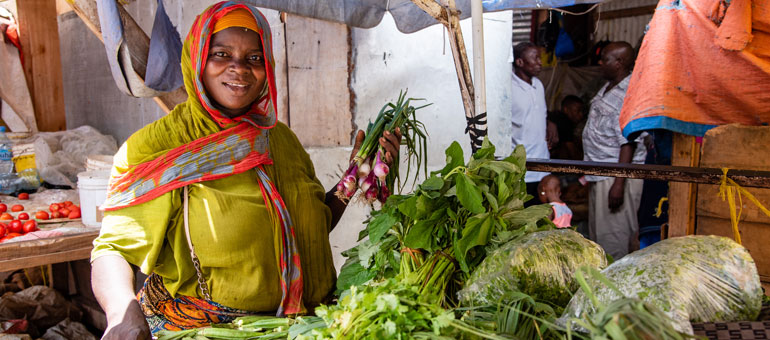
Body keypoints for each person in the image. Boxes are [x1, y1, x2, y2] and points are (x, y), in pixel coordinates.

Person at [89, 3, 402, 339]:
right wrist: (121, 312)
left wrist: (355, 176)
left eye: (254, 58)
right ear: (197, 60)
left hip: (305, 326)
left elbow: (303, 231)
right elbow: (113, 250)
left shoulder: (280, 140)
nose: (239, 69)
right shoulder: (159, 147)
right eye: (221, 54)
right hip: (208, 330)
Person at [582, 41, 646, 259]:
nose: (600, 63)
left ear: (619, 63)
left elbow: (628, 142)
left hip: (615, 176)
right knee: (600, 236)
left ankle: (615, 288)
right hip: (602, 174)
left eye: (605, 59)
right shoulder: (609, 87)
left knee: (614, 238)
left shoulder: (628, 93)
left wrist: (618, 184)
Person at [510, 42, 557, 206]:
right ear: (520, 62)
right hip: (521, 170)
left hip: (542, 164)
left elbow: (538, 114)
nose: (540, 63)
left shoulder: (538, 85)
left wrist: (549, 123)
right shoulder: (508, 88)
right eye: (535, 58)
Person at [548, 95, 585, 160]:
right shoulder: (564, 122)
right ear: (566, 110)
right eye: (578, 111)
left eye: (582, 111)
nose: (581, 115)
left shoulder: (556, 117)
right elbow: (572, 152)